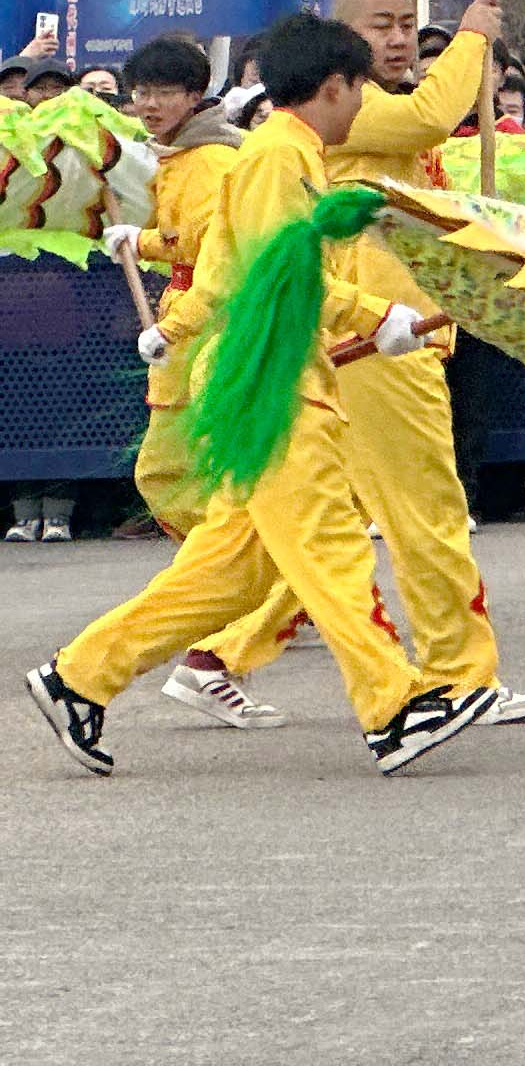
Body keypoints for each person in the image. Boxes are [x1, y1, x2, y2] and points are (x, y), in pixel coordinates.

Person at [26, 13, 499, 775]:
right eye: (361, 88)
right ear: (337, 84)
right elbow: (282, 275)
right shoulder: (281, 160)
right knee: (331, 549)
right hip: (275, 382)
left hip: (264, 373)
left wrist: (176, 331)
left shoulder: (276, 156)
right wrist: (381, 318)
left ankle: (78, 677)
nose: (363, 105)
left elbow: (221, 268)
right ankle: (392, 707)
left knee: (233, 573)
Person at [184, 0, 525, 726]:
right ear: (341, 44)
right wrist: (472, 33)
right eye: (381, 25)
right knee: (424, 508)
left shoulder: (352, 113)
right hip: (378, 337)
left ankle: (218, 652)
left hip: (382, 330)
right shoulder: (353, 107)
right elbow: (436, 117)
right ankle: (460, 674)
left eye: (410, 23)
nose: (401, 38)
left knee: (321, 520)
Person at [96, 40, 276, 722]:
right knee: (173, 475)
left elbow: (207, 244)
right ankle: (226, 591)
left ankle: (225, 608)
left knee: (190, 479)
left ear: (195, 95)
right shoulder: (183, 152)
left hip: (205, 327)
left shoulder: (207, 157)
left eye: (164, 91)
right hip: (186, 321)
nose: (148, 103)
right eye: (140, 91)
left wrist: (139, 243)